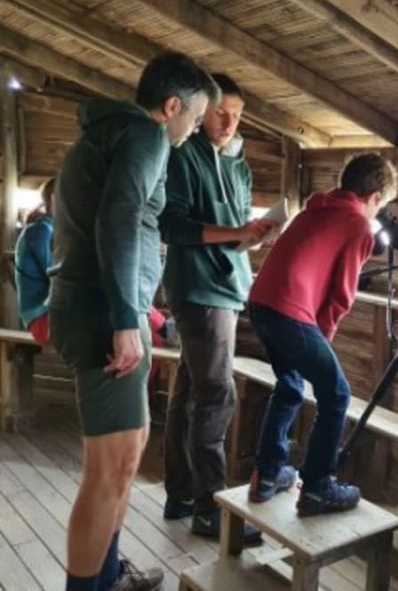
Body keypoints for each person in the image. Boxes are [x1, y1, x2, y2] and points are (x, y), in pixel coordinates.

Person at [48, 52, 218, 591]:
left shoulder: (105, 137)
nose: (193, 130)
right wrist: (126, 319)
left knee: (129, 450)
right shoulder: (145, 137)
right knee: (109, 469)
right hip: (106, 315)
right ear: (172, 106)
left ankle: (108, 573)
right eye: (195, 117)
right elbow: (119, 219)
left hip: (103, 308)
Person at [247, 152, 398, 514]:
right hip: (289, 312)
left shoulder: (314, 208)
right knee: (337, 394)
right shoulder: (359, 225)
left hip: (262, 303)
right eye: (381, 205)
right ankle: (317, 485)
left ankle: (268, 473)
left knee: (290, 384)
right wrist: (322, 338)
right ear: (375, 196)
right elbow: (341, 296)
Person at [159, 73, 273, 541]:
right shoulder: (183, 156)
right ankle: (210, 508)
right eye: (221, 112)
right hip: (198, 289)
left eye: (238, 114)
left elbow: (231, 232)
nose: (229, 122)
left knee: (190, 392)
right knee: (217, 394)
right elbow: (174, 226)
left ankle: (181, 494)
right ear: (201, 110)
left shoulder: (239, 164)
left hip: (226, 286)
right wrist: (237, 233)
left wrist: (253, 236)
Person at [14, 178, 55, 344]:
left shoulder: (50, 228)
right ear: (54, 198)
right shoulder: (40, 230)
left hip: (49, 313)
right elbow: (54, 274)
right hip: (41, 318)